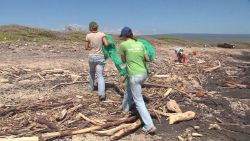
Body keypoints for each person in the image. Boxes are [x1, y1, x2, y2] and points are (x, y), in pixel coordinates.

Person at [119, 27, 156, 133]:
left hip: (134, 75)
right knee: (129, 88)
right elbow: (147, 59)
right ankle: (126, 108)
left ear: (124, 36)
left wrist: (130, 58)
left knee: (139, 101)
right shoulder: (140, 44)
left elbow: (123, 60)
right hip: (143, 74)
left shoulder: (123, 45)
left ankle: (149, 125)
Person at [85, 21, 108, 101]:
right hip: (100, 57)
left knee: (91, 72)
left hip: (91, 56)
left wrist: (91, 48)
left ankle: (90, 88)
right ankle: (101, 93)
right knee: (100, 75)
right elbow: (107, 44)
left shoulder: (88, 35)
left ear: (90, 27)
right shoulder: (102, 34)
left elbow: (86, 47)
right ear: (97, 27)